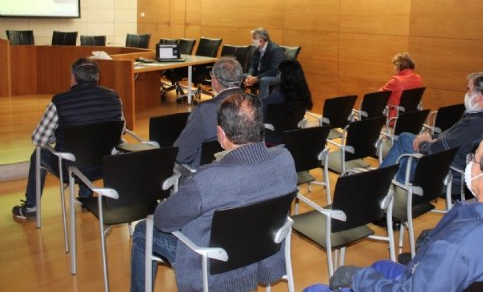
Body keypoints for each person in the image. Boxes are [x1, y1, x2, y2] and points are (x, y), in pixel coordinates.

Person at [306, 127, 483, 292]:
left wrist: (357, 277)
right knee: (379, 266)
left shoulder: (455, 247)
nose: (469, 162)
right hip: (439, 280)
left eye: (474, 159)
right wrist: (433, 242)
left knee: (315, 289)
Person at [129, 92, 297, 292]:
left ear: (221, 134)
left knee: (143, 230)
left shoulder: (206, 180)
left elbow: (163, 221)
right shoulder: (285, 159)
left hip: (211, 265)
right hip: (261, 250)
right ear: (260, 126)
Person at [12, 58, 124, 220]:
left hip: (69, 169)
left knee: (39, 154)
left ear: (73, 77)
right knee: (90, 145)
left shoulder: (60, 101)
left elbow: (39, 139)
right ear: (97, 77)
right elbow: (120, 130)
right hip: (104, 165)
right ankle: (85, 197)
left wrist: (56, 134)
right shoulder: (114, 97)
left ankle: (31, 207)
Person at [380, 71, 483, 191]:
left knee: (405, 141)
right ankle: (397, 188)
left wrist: (423, 143)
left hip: (449, 176)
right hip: (465, 171)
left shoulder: (475, 124)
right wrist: (431, 138)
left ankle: (379, 185)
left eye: (469, 89)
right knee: (408, 151)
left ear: (479, 97)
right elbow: (450, 139)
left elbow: (436, 151)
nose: (466, 93)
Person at [174, 56, 243, 168]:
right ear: (241, 79)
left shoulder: (204, 110)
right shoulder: (256, 104)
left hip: (207, 171)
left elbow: (181, 154)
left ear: (214, 81)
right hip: (244, 166)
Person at [262, 59, 313, 145]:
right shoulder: (304, 94)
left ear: (284, 76)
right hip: (291, 138)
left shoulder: (277, 96)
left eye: (280, 73)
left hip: (270, 139)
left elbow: (260, 113)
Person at [380, 52, 424, 121]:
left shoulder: (396, 80)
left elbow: (379, 95)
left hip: (395, 117)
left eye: (395, 65)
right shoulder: (418, 78)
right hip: (412, 116)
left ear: (398, 66)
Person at [243, 27, 285, 99]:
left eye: (254, 38)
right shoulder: (257, 50)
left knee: (264, 80)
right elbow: (252, 66)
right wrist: (249, 76)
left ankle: (263, 104)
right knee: (240, 76)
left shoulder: (275, 49)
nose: (252, 40)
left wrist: (257, 78)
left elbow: (274, 70)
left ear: (261, 39)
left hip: (275, 75)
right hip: (260, 74)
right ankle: (239, 101)